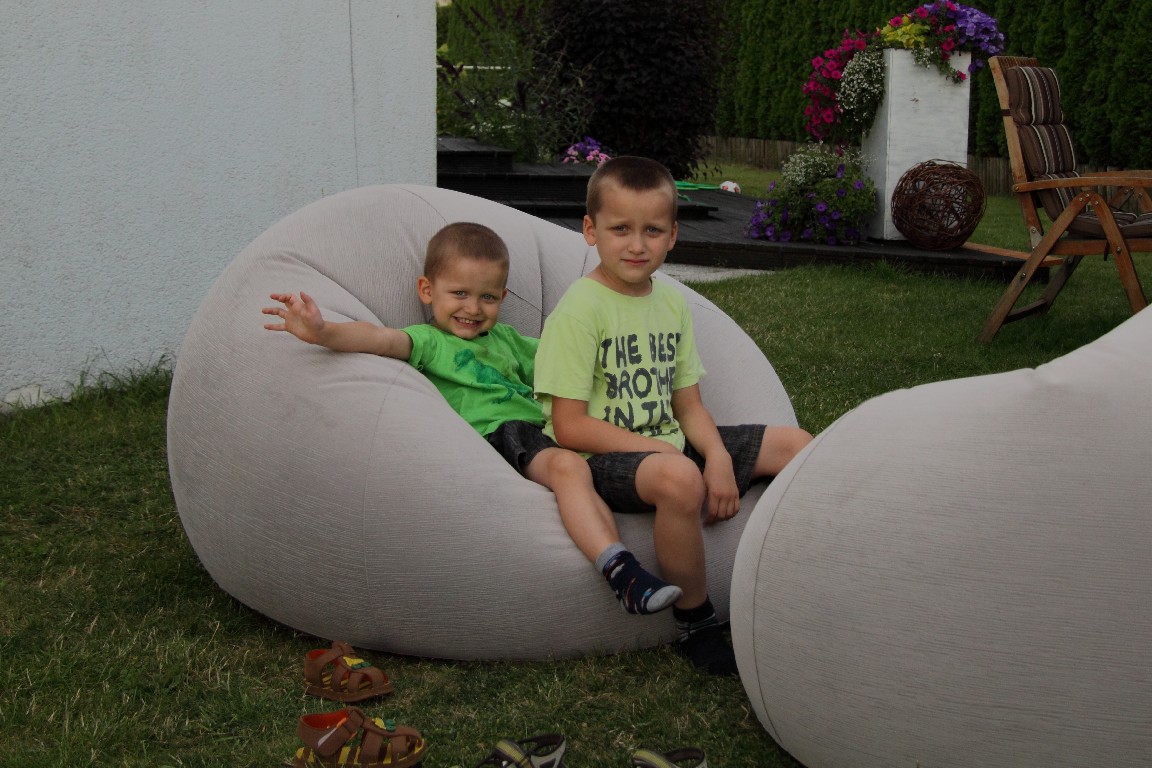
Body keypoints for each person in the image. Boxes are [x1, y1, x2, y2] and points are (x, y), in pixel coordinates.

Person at [262, 221, 681, 616]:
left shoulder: (507, 340)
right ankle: (621, 573)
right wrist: (323, 331)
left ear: (503, 297)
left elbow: (564, 362)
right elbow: (378, 338)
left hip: (543, 430)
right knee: (569, 467)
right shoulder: (429, 341)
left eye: (488, 297)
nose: (473, 308)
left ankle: (632, 560)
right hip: (501, 434)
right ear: (427, 290)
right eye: (459, 293)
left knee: (589, 461)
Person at [533, 157, 814, 675]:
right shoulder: (580, 310)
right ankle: (696, 622)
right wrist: (667, 453)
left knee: (798, 446)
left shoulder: (671, 304)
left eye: (652, 230)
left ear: (673, 236)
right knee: (679, 475)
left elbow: (688, 405)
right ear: (591, 230)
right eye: (621, 229)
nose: (637, 245)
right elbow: (569, 426)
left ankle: (797, 575)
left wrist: (718, 458)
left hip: (666, 445)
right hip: (600, 459)